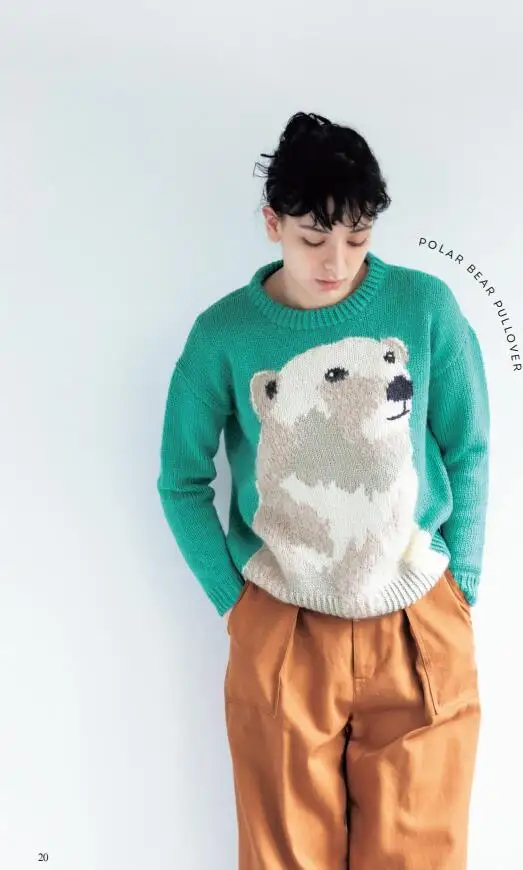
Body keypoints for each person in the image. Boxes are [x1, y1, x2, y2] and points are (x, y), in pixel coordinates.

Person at [156, 110, 490, 869]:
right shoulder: (224, 335)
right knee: (285, 859)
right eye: (313, 238)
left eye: (358, 236)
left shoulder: (426, 309)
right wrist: (239, 606)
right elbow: (181, 479)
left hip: (416, 618)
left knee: (420, 857)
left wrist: (461, 586)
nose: (337, 261)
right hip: (284, 622)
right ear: (272, 223)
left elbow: (467, 445)